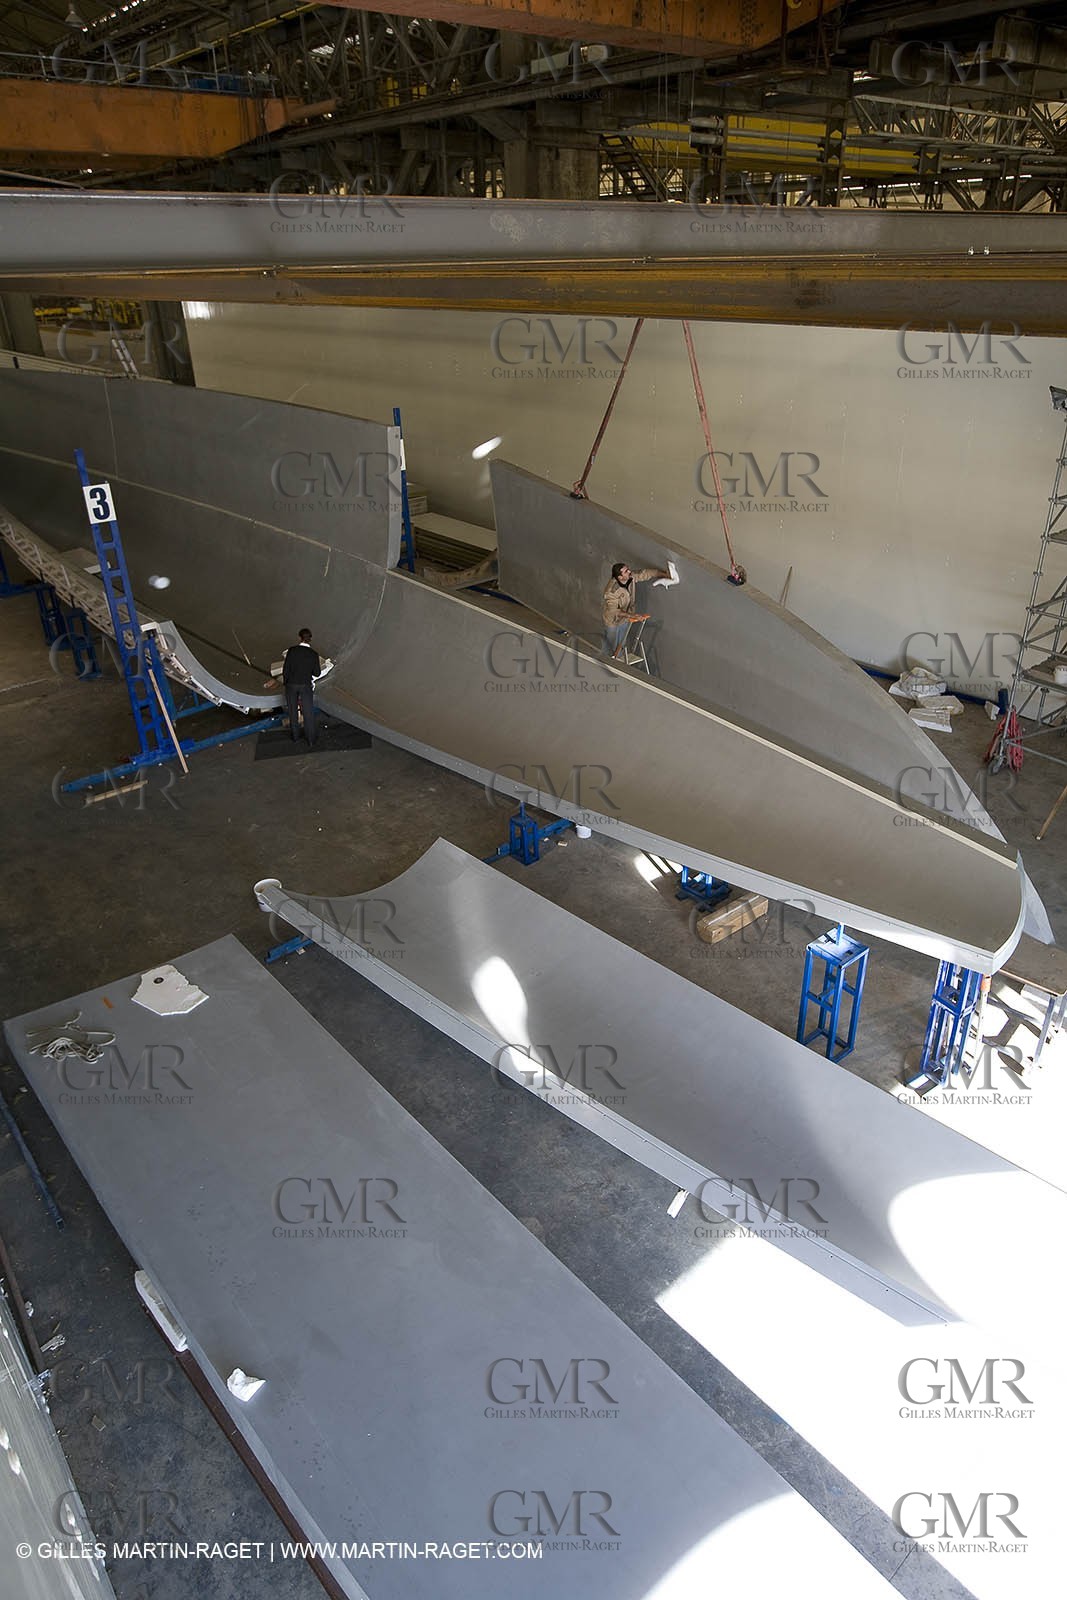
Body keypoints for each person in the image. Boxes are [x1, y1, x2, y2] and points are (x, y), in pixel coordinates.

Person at [600, 561, 670, 659]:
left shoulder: (630, 577)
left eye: (628, 569)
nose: (629, 571)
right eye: (626, 571)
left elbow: (645, 574)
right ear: (620, 577)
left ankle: (619, 662)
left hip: (624, 619)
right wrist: (631, 616)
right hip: (612, 621)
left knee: (622, 643)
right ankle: (607, 662)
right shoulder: (611, 591)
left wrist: (665, 575)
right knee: (611, 645)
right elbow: (614, 611)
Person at [282, 627, 321, 745]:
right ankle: (310, 740)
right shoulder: (314, 654)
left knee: (293, 712)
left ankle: (295, 737)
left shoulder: (292, 651)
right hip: (305, 685)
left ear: (299, 638)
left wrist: (286, 683)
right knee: (308, 712)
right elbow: (317, 673)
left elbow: (286, 670)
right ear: (310, 639)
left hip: (291, 685)